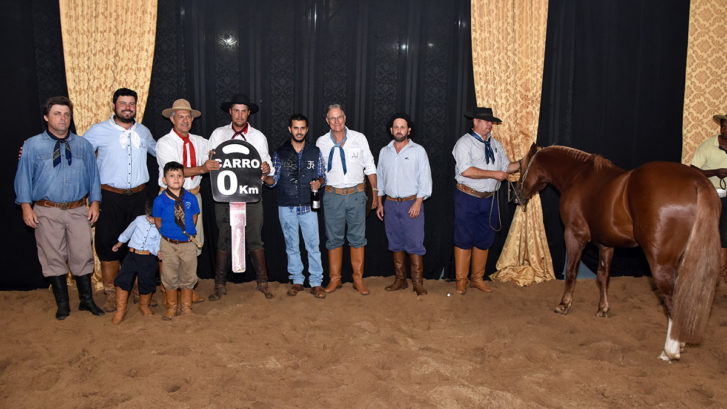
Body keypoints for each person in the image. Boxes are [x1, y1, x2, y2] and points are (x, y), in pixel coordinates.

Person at [14, 96, 105, 320]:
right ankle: (63, 303)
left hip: (77, 209)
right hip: (46, 209)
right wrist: (26, 206)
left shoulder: (83, 145)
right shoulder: (32, 145)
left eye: (66, 114)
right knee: (52, 256)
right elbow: (23, 177)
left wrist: (95, 202)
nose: (62, 118)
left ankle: (86, 300)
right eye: (57, 113)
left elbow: (94, 176)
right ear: (46, 117)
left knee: (82, 253)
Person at [83, 88, 157, 312]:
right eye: (123, 103)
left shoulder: (143, 132)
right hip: (110, 196)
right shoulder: (98, 131)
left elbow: (161, 153)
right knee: (107, 244)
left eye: (131, 103)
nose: (127, 107)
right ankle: (110, 292)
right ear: (113, 105)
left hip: (139, 196)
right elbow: (77, 153)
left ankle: (136, 289)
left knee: (138, 243)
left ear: (136, 106)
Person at [207, 93, 274, 300]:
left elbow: (267, 165)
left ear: (249, 113)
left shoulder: (258, 136)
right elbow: (209, 162)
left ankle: (263, 281)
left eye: (244, 110)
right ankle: (219, 283)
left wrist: (266, 168)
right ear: (230, 112)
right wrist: (210, 159)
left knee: (254, 237)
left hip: (251, 195)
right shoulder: (218, 134)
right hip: (225, 196)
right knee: (224, 236)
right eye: (236, 110)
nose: (240, 114)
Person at [156, 99, 219, 303]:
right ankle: (169, 289)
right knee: (169, 242)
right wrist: (202, 168)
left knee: (191, 242)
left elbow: (216, 153)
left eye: (188, 117)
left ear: (192, 120)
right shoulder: (165, 143)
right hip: (170, 198)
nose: (185, 120)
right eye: (180, 116)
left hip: (193, 196)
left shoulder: (201, 141)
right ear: (172, 119)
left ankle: (187, 287)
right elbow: (175, 171)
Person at [452, 107, 520, 295]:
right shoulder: (464, 144)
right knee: (464, 237)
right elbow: (466, 171)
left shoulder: (496, 144)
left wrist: (523, 162)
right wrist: (494, 174)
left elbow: (507, 167)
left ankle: (477, 279)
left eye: (492, 122)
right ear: (475, 121)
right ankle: (461, 281)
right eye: (486, 121)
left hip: (489, 199)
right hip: (467, 197)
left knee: (484, 238)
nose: (490, 125)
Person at [316, 104, 379, 295]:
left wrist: (375, 193)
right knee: (334, 239)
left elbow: (370, 166)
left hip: (357, 195)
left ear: (345, 118)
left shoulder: (359, 138)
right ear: (327, 121)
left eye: (339, 117)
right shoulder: (321, 142)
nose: (336, 121)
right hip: (332, 195)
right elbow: (319, 171)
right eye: (332, 118)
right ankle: (335, 279)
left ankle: (357, 279)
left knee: (358, 239)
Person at [263, 114, 327, 298]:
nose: (299, 131)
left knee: (313, 245)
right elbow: (273, 181)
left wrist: (319, 182)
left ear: (307, 130)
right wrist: (264, 177)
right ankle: (297, 280)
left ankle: (316, 282)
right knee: (291, 245)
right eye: (296, 128)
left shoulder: (315, 152)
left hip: (308, 206)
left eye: (302, 128)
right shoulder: (280, 153)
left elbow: (323, 175)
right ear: (290, 129)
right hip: (286, 206)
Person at [376, 113, 432, 296]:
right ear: (391, 130)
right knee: (395, 243)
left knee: (415, 243)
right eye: (396, 127)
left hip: (411, 204)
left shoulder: (418, 151)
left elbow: (425, 179)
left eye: (403, 127)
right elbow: (380, 180)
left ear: (408, 130)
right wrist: (379, 203)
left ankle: (417, 282)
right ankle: (400, 280)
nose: (399, 130)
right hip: (390, 204)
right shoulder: (385, 152)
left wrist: (418, 202)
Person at [153, 161, 201, 320]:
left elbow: (194, 217)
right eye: (171, 176)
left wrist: (185, 233)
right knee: (169, 275)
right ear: (164, 179)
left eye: (179, 176)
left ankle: (186, 307)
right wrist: (167, 234)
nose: (176, 179)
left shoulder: (191, 198)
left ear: (184, 179)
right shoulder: (159, 200)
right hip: (168, 244)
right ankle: (172, 306)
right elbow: (157, 220)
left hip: (187, 244)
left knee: (188, 275)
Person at [110, 200, 161, 324]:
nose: (151, 220)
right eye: (150, 217)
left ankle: (144, 306)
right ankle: (120, 309)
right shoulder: (139, 220)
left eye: (155, 218)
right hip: (132, 255)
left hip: (148, 257)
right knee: (123, 279)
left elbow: (159, 242)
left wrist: (159, 251)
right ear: (146, 213)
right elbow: (128, 232)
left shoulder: (161, 226)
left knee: (147, 281)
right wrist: (119, 243)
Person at [690, 112, 727, 280]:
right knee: (711, 233)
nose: (725, 129)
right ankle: (709, 271)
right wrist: (715, 172)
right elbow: (693, 170)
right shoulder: (707, 146)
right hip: (712, 195)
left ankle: (722, 270)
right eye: (723, 125)